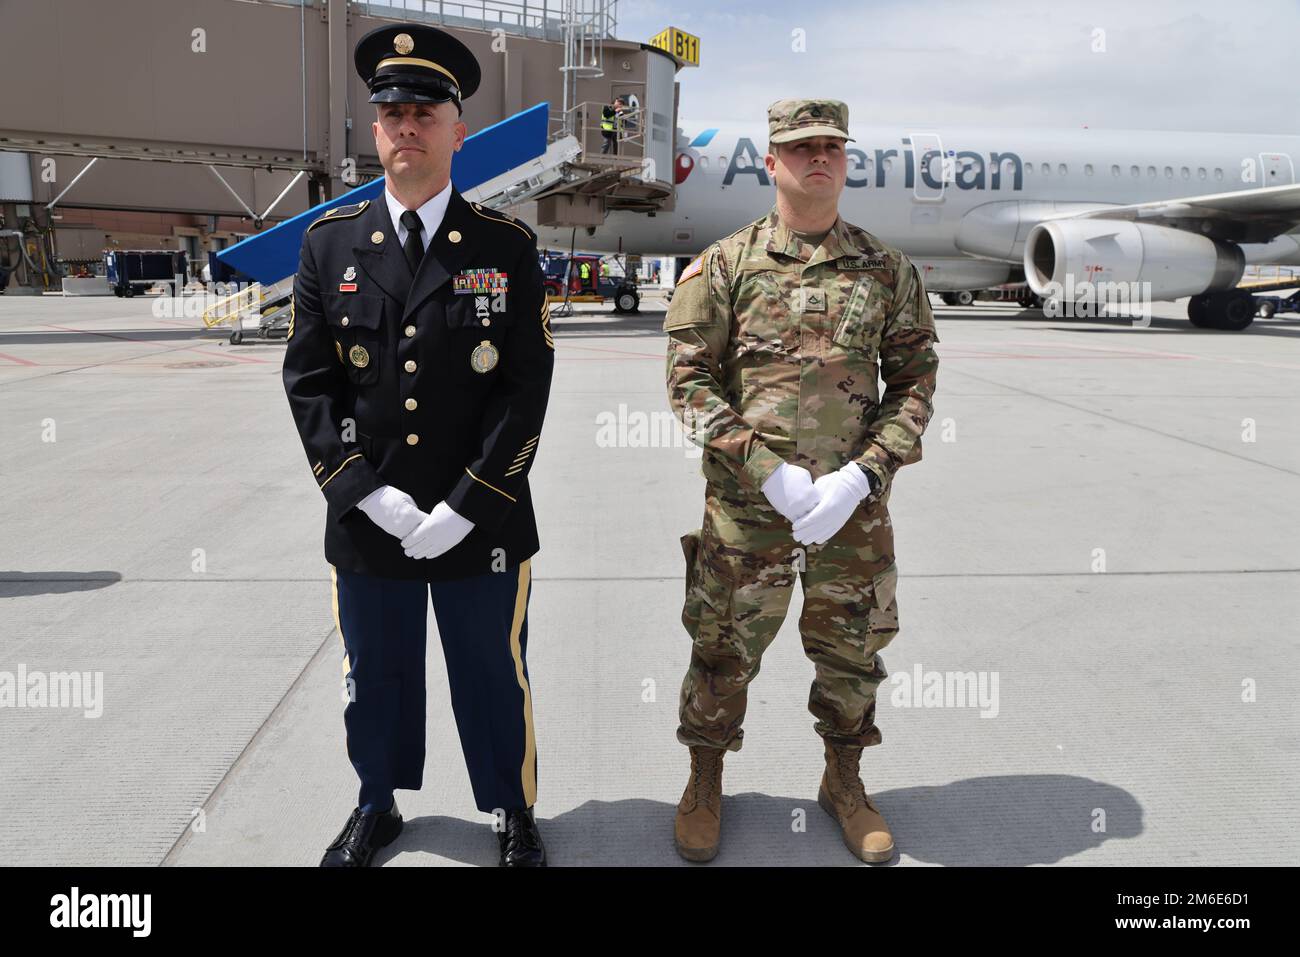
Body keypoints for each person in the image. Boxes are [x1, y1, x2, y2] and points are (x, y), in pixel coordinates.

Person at [281, 22, 556, 868]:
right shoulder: (329, 245)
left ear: (456, 128)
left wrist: (470, 505)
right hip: (371, 516)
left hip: (482, 518)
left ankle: (510, 808)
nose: (407, 124)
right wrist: (364, 490)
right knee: (376, 675)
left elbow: (525, 388)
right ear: (374, 131)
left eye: (425, 109)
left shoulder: (506, 249)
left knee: (491, 673)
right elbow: (309, 382)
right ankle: (377, 803)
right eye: (392, 110)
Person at [663, 99, 940, 864]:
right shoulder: (723, 265)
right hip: (749, 511)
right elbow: (688, 381)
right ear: (771, 161)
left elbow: (915, 381)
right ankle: (705, 778)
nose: (819, 157)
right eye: (801, 146)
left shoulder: (888, 270)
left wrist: (864, 475)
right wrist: (767, 471)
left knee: (852, 651)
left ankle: (844, 780)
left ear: (846, 161)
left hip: (854, 512)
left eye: (832, 147)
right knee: (721, 649)